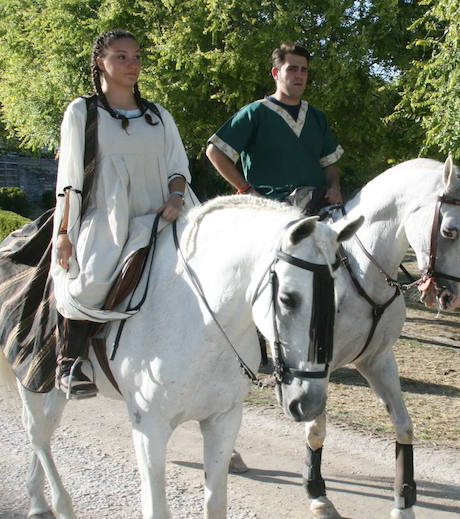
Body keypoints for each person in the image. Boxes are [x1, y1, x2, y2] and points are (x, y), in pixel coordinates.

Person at [51, 30, 196, 397]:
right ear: (101, 61)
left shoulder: (158, 115)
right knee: (91, 280)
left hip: (162, 212)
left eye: (136, 56)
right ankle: (70, 363)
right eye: (121, 56)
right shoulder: (82, 112)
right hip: (108, 216)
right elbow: (69, 179)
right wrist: (64, 233)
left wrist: (177, 199)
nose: (132, 64)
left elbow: (177, 168)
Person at [205, 42, 343, 213]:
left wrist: (334, 187)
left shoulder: (316, 117)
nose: (299, 75)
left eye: (304, 70)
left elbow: (330, 163)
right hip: (269, 213)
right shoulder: (255, 113)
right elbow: (215, 152)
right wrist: (246, 190)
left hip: (316, 209)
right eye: (292, 69)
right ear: (276, 73)